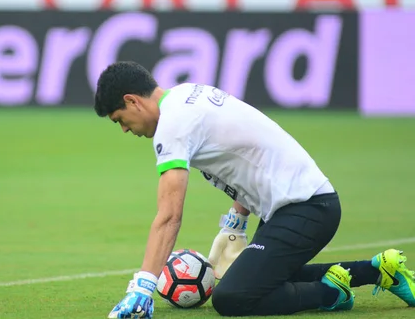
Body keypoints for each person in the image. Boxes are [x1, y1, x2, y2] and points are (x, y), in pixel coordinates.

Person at [93, 61, 415, 318]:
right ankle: (379, 271)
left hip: (306, 208)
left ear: (132, 101)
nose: (124, 129)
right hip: (301, 204)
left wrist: (143, 286)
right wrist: (236, 221)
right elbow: (244, 149)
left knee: (231, 298)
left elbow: (169, 215)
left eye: (120, 119)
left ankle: (331, 294)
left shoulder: (172, 126)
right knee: (269, 278)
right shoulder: (186, 95)